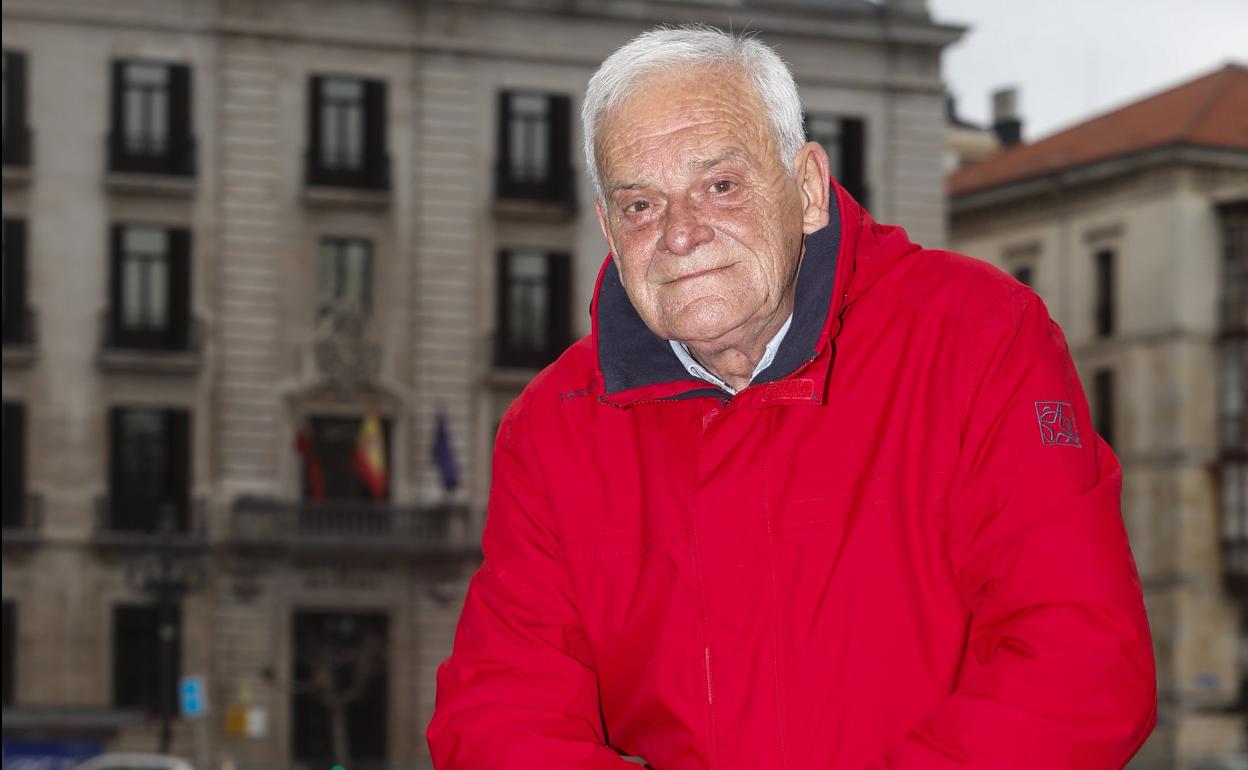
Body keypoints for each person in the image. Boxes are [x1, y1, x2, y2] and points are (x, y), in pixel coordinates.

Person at [427, 25, 1156, 769]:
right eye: (641, 204)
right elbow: (499, 712)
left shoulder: (977, 338)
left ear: (806, 189)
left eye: (720, 185)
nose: (680, 235)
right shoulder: (553, 428)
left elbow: (1080, 659)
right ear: (609, 229)